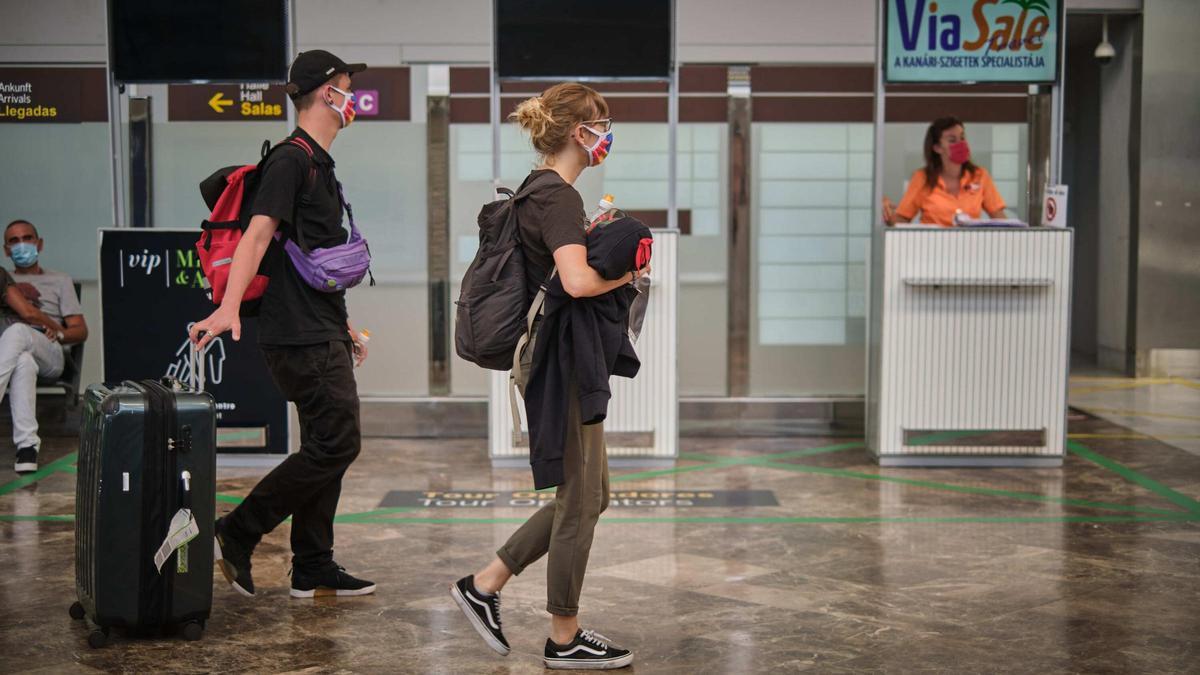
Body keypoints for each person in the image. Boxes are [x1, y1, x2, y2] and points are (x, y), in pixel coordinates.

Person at [450, 83, 647, 671]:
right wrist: (628, 277)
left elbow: (561, 270)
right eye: (601, 122)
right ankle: (564, 635)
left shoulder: (545, 194)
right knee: (581, 499)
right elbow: (580, 282)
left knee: (592, 494)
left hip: (557, 357)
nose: (607, 132)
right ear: (576, 133)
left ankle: (484, 584)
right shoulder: (556, 196)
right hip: (558, 362)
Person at [189, 50, 374, 600]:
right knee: (339, 441)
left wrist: (345, 328)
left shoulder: (318, 162)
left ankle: (314, 563)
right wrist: (228, 306)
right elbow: (257, 235)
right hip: (297, 334)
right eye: (346, 88)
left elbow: (313, 263)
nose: (353, 99)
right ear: (325, 94)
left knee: (325, 442)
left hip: (319, 327)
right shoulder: (291, 161)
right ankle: (238, 530)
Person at [1, 220, 88, 474]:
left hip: (49, 351)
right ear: (6, 250)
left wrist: (55, 330)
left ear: (39, 244)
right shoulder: (3, 281)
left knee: (18, 331)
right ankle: (27, 448)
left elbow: (80, 330)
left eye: (27, 238)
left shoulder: (59, 280)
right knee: (23, 361)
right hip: (13, 352)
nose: (21, 245)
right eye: (14, 241)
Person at [882, 116, 1008, 227]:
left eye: (962, 138)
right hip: (932, 248)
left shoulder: (980, 175)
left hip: (971, 248)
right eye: (952, 140)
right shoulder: (922, 178)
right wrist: (884, 211)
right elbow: (902, 220)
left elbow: (1000, 219)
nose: (961, 144)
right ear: (937, 148)